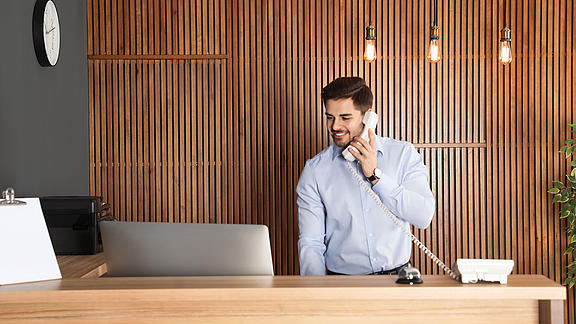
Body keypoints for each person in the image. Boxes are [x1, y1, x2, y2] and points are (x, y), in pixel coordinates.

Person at [296, 77, 435, 275]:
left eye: (345, 118)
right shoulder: (314, 171)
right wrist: (315, 296)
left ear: (368, 117)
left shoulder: (403, 154)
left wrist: (376, 177)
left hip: (397, 280)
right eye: (329, 117)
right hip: (342, 284)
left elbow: (423, 216)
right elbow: (311, 243)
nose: (335, 126)